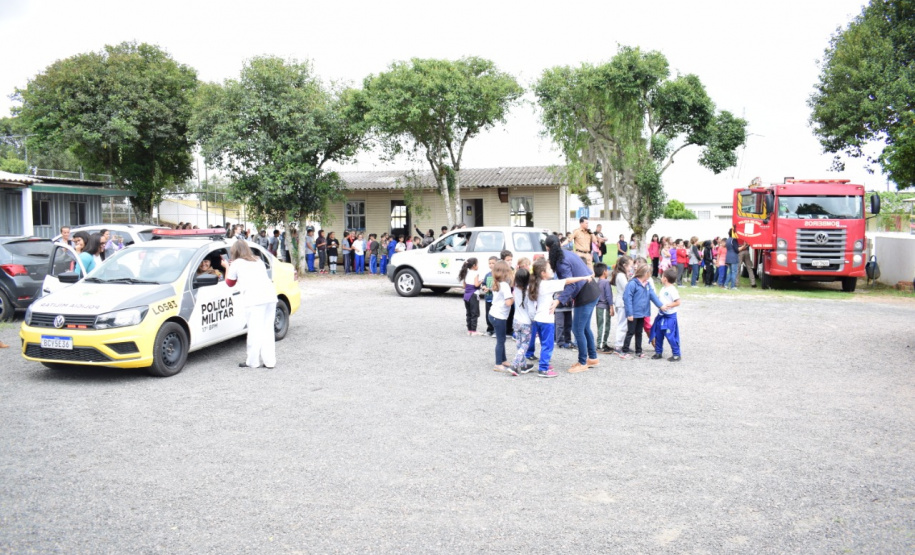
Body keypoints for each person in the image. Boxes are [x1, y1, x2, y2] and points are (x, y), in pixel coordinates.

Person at [528, 257, 593, 378]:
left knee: (544, 344)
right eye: (549, 268)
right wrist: (584, 277)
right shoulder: (547, 284)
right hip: (546, 320)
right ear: (543, 273)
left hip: (538, 319)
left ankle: (544, 364)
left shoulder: (536, 284)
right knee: (548, 345)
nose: (551, 270)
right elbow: (568, 281)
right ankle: (543, 369)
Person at [546, 234, 602, 373]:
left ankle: (582, 362)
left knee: (577, 329)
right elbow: (588, 271)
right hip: (592, 289)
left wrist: (558, 300)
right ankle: (592, 358)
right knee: (585, 328)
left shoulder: (561, 261)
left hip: (585, 294)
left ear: (548, 249)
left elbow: (570, 284)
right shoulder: (568, 254)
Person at [222, 240, 277, 369]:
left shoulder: (236, 264)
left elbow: (229, 283)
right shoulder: (258, 261)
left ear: (234, 252)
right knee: (267, 330)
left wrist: (227, 267)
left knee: (254, 330)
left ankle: (252, 361)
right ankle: (270, 361)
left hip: (254, 300)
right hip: (269, 296)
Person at [622, 264, 663, 359]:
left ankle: (638, 351)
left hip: (642, 313)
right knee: (630, 332)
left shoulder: (647, 284)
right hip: (633, 313)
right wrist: (629, 313)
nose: (650, 275)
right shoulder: (632, 283)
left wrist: (661, 306)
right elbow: (627, 298)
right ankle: (624, 351)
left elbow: (652, 295)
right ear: (645, 273)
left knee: (639, 332)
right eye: (649, 273)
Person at [488, 260, 515, 375]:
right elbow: (508, 303)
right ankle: (498, 363)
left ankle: (503, 360)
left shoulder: (497, 282)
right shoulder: (504, 286)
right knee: (500, 340)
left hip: (493, 314)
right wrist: (515, 297)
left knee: (502, 338)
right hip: (499, 316)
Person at [650, 267, 682, 361]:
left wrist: (669, 305)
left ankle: (676, 354)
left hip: (670, 316)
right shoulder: (663, 288)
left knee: (669, 335)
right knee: (658, 334)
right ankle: (658, 352)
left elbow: (678, 302)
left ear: (665, 279)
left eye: (662, 276)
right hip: (661, 315)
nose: (661, 278)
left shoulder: (672, 290)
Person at [508, 268, 536, 374]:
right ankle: (514, 365)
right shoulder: (529, 291)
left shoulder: (515, 288)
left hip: (516, 321)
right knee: (525, 344)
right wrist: (534, 320)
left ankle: (523, 365)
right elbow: (532, 310)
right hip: (526, 322)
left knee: (519, 344)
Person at [611, 255, 632, 356]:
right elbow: (627, 288)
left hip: (623, 302)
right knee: (622, 325)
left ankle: (622, 344)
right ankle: (618, 345)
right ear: (624, 265)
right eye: (629, 266)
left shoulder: (622, 274)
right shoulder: (621, 275)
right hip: (622, 302)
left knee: (624, 325)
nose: (630, 268)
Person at [459, 257, 484, 336]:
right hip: (473, 294)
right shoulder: (475, 273)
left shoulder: (466, 272)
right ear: (474, 265)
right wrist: (481, 281)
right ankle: (474, 330)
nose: (478, 266)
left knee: (468, 313)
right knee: (474, 313)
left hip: (466, 295)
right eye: (477, 264)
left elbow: (464, 286)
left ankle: (469, 329)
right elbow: (476, 284)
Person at [594, 262, 615, 354]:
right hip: (604, 307)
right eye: (606, 270)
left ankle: (603, 342)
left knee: (602, 325)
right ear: (604, 272)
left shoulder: (598, 282)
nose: (608, 272)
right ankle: (601, 346)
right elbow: (608, 296)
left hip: (599, 307)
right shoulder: (606, 282)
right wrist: (611, 307)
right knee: (604, 326)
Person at [482, 256, 497, 336]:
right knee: (488, 314)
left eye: (493, 263)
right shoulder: (487, 274)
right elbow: (483, 283)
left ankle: (495, 330)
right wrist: (483, 286)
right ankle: (489, 329)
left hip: (495, 299)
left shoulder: (498, 275)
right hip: (488, 298)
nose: (491, 265)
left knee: (495, 315)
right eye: (489, 263)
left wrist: (490, 289)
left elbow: (498, 286)